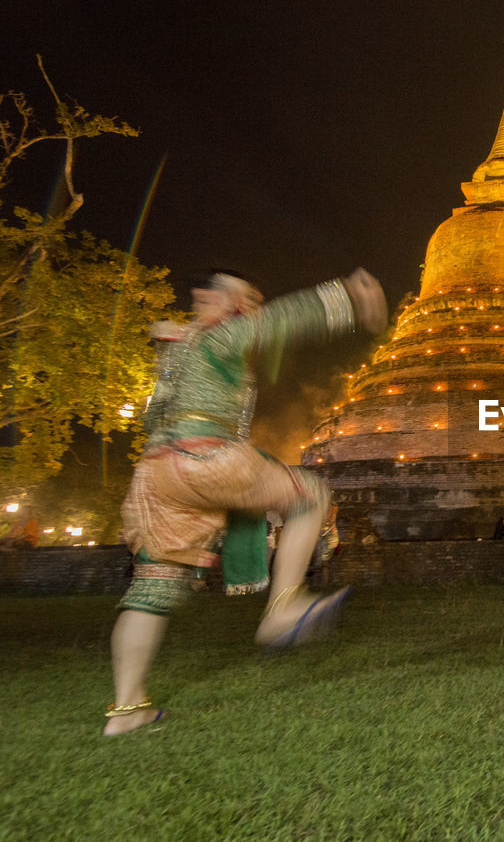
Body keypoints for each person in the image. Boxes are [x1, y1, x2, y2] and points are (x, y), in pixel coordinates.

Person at [102, 268, 387, 736]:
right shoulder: (218, 337)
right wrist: (346, 299)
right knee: (311, 495)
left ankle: (127, 709)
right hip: (207, 458)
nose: (253, 306)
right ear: (224, 302)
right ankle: (284, 607)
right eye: (247, 299)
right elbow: (280, 320)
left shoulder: (176, 352)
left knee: (152, 588)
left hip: (157, 475)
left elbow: (155, 414)